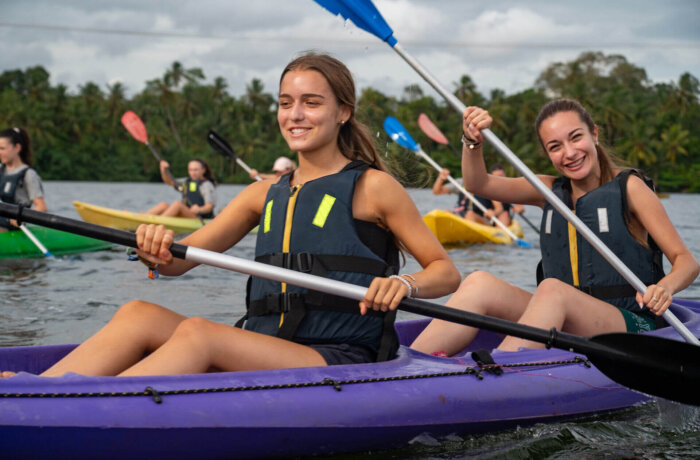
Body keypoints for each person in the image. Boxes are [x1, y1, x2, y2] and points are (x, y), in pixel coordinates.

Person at [1, 52, 459, 379]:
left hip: (338, 356)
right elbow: (177, 264)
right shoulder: (262, 194)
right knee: (138, 312)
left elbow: (445, 272)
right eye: (285, 102)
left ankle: (76, 408)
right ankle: (39, 391)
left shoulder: (372, 186)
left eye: (311, 102)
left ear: (343, 111)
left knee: (201, 332)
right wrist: (152, 247)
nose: (294, 115)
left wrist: (404, 283)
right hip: (268, 343)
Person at [411, 99, 699, 355]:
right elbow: (478, 184)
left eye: (576, 138)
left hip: (632, 323)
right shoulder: (546, 190)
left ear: (594, 134)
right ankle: (408, 368)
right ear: (548, 153)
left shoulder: (630, 189)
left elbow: (686, 262)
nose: (569, 153)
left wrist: (664, 288)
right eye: (555, 147)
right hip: (563, 317)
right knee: (479, 283)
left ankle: (498, 373)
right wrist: (471, 140)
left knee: (552, 290)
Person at [432, 164, 523, 225]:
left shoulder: (487, 186)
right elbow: (436, 192)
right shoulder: (461, 183)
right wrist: (440, 178)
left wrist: (493, 213)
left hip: (480, 218)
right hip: (462, 216)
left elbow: (499, 208)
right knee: (446, 212)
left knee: (471, 214)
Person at [0, 127, 47, 231]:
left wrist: (21, 217)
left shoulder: (28, 174)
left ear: (17, 148)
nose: (0, 152)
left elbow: (41, 207)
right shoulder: (0, 170)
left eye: (2, 148)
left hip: (15, 227)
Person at [144, 158, 217, 219]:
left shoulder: (207, 185)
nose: (193, 173)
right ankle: (144, 217)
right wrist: (163, 170)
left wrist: (199, 209)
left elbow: (209, 207)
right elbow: (169, 182)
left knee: (177, 204)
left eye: (195, 170)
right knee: (164, 205)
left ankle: (157, 224)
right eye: (190, 170)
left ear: (203, 170)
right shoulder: (187, 182)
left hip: (199, 218)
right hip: (187, 215)